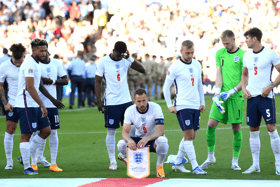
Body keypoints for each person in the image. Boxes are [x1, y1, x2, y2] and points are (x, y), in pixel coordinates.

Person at [14, 39, 63, 175]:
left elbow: (38, 85)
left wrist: (49, 101)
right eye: (41, 50)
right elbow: (30, 87)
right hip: (25, 103)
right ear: (33, 50)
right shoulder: (29, 64)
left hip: (33, 103)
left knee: (46, 130)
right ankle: (27, 167)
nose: (44, 53)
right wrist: (42, 105)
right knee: (26, 134)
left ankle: (25, 156)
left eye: (45, 50)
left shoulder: (36, 64)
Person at [95, 41, 145, 170]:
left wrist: (129, 57)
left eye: (122, 54)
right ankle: (112, 162)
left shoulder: (125, 59)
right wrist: (99, 101)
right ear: (113, 50)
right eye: (118, 54)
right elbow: (98, 81)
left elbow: (142, 70)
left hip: (126, 100)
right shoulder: (103, 62)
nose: (119, 57)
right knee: (111, 131)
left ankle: (124, 155)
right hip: (111, 102)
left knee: (133, 129)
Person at [200, 30, 245, 171]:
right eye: (223, 43)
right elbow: (218, 73)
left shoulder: (243, 55)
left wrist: (232, 91)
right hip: (222, 95)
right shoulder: (220, 53)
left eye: (227, 43)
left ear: (233, 39)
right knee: (210, 124)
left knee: (236, 127)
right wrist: (218, 91)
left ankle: (235, 161)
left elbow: (245, 79)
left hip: (236, 95)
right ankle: (210, 156)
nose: (225, 45)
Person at [163, 40, 207, 175]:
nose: (190, 55)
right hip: (182, 105)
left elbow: (199, 84)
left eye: (192, 52)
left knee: (192, 136)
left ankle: (177, 162)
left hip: (195, 105)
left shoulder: (197, 64)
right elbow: (166, 87)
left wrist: (202, 101)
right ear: (181, 52)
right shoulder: (175, 67)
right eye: (187, 53)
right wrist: (170, 105)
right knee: (188, 135)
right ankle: (195, 166)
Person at [241, 27, 280, 175]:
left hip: (266, 97)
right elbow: (244, 74)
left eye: (247, 38)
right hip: (251, 98)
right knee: (253, 130)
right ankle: (255, 165)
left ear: (255, 38)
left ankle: (278, 164)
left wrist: (271, 87)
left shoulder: (271, 54)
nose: (246, 41)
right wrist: (244, 89)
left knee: (271, 128)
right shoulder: (246, 55)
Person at [117, 88, 169, 178]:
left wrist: (147, 138)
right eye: (139, 101)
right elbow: (124, 133)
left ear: (147, 99)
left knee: (163, 142)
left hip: (153, 139)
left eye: (144, 100)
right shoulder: (129, 110)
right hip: (138, 140)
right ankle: (129, 160)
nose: (142, 104)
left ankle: (159, 167)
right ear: (134, 101)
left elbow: (161, 131)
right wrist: (129, 140)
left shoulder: (156, 107)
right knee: (121, 144)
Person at [30, 51, 68, 172]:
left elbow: (66, 80)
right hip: (37, 104)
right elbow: (39, 83)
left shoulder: (56, 63)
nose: (42, 55)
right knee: (36, 132)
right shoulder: (35, 65)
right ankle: (32, 161)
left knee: (53, 132)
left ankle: (53, 163)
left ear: (48, 53)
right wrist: (53, 99)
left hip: (52, 106)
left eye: (44, 52)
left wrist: (52, 81)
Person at [0, 43, 26, 169]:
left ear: (24, 56)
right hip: (13, 103)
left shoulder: (29, 64)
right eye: (15, 61)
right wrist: (5, 103)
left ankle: (26, 158)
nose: (17, 64)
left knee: (32, 132)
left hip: (28, 103)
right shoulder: (4, 66)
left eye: (19, 61)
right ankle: (9, 162)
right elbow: (0, 86)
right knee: (10, 131)